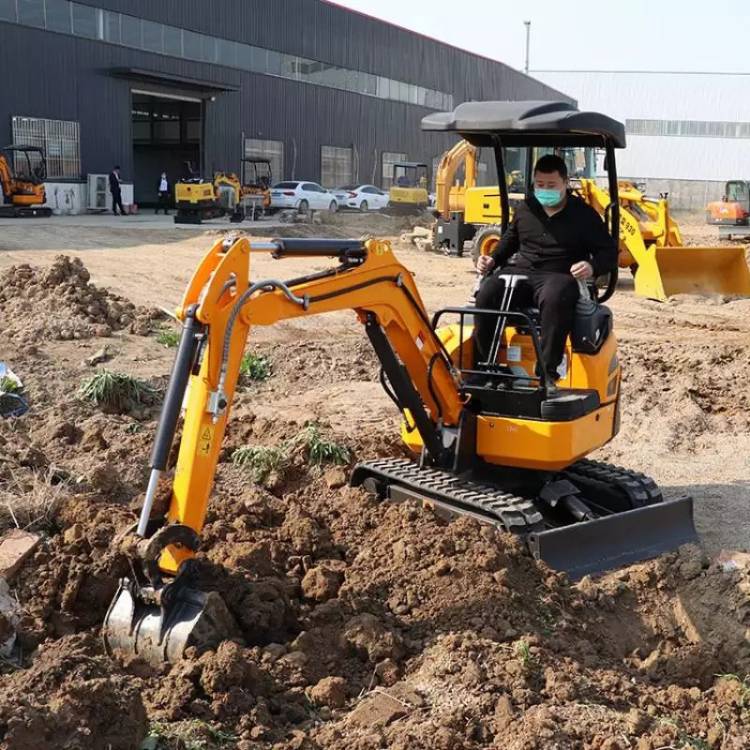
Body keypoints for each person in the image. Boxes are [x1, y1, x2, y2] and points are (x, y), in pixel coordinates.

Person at [474, 154, 617, 387]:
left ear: (565, 183)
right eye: (540, 185)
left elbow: (609, 253)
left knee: (556, 296)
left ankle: (546, 372)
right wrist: (492, 259)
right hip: (522, 271)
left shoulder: (584, 215)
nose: (545, 190)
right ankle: (486, 368)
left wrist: (591, 266)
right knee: (487, 293)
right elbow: (510, 240)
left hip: (559, 274)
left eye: (551, 185)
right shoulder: (526, 209)